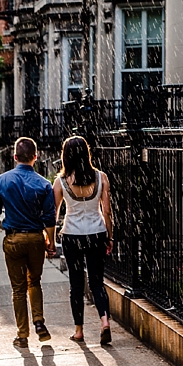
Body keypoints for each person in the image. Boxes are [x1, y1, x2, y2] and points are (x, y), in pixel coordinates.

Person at [0, 137, 56, 348]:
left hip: (13, 239)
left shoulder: (2, 181)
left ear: (15, 157)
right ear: (36, 157)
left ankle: (22, 335)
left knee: (18, 289)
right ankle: (39, 322)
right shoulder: (44, 183)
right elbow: (49, 218)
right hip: (36, 238)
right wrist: (50, 242)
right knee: (34, 282)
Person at [53, 135, 113, 345]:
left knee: (76, 284)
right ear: (87, 154)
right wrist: (109, 236)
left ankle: (79, 330)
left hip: (72, 235)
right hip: (96, 233)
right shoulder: (101, 177)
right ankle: (104, 322)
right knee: (97, 282)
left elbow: (54, 213)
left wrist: (50, 241)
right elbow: (107, 211)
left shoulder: (60, 182)